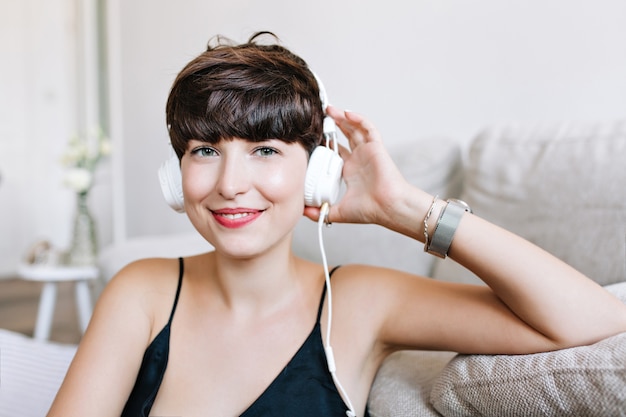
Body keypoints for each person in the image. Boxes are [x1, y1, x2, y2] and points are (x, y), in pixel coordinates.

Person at [47, 31, 626, 417]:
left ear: (318, 169)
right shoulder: (141, 291)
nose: (228, 183)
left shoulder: (362, 302)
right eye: (204, 150)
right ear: (177, 174)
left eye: (265, 150)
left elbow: (593, 319)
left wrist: (406, 209)